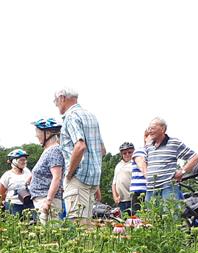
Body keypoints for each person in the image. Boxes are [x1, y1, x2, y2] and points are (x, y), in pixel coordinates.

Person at [54, 88, 105, 222]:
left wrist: (69, 174)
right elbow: (102, 150)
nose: (56, 105)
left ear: (62, 98)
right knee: (87, 224)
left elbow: (80, 146)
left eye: (56, 101)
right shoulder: (91, 116)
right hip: (93, 179)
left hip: (78, 178)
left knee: (77, 224)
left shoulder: (71, 117)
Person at [143, 117, 198, 204]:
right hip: (151, 188)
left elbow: (195, 157)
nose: (149, 131)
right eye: (149, 128)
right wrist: (147, 175)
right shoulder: (148, 145)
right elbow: (146, 163)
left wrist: (182, 172)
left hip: (168, 187)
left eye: (152, 128)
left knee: (170, 212)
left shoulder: (174, 142)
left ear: (162, 129)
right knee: (150, 213)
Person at [28, 118, 65, 224]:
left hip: (47, 200)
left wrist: (48, 201)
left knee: (50, 231)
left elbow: (57, 177)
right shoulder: (47, 151)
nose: (36, 135)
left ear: (47, 133)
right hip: (41, 198)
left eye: (38, 132)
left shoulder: (54, 150)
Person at [111, 142, 147, 216]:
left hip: (133, 198)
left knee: (135, 217)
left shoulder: (135, 163)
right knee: (123, 219)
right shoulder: (118, 165)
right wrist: (115, 196)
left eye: (129, 152)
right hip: (121, 199)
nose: (127, 154)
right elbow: (114, 183)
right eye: (124, 153)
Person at [0, 149, 33, 216]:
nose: (24, 162)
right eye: (21, 160)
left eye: (25, 160)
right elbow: (0, 194)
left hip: (28, 203)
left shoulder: (27, 172)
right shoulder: (7, 175)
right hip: (13, 204)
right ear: (14, 161)